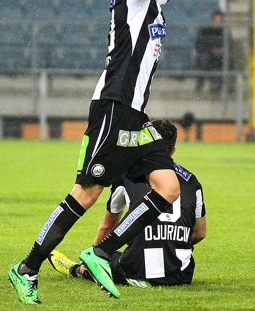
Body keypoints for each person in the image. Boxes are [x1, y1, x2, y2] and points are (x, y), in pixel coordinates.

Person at [8, 0, 223, 305]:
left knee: (167, 187)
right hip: (112, 107)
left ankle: (102, 251)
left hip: (135, 115)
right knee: (86, 193)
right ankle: (26, 266)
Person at [48, 118, 206, 287]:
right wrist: (170, 238)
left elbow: (107, 226)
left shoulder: (128, 175)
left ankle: (78, 270)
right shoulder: (192, 181)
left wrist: (95, 256)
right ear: (172, 151)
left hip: (138, 270)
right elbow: (200, 233)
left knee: (110, 259)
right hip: (181, 276)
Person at [195, 10, 228, 93]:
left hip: (220, 54)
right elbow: (200, 44)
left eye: (220, 20)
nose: (218, 21)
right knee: (204, 58)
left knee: (227, 59)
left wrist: (221, 50)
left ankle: (220, 85)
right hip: (207, 53)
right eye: (217, 19)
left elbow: (228, 44)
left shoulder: (225, 32)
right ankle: (200, 84)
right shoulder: (205, 30)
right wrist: (211, 50)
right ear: (213, 19)